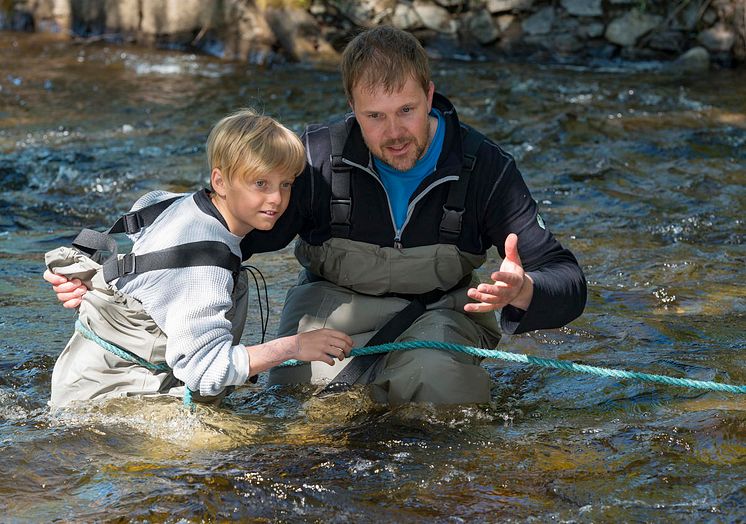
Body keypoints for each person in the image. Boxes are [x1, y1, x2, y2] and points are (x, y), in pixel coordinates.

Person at [48, 26, 587, 406]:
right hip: (328, 314)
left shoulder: (485, 169)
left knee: (438, 385)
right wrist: (110, 276)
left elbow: (568, 280)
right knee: (290, 412)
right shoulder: (316, 158)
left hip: (436, 318)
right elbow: (215, 223)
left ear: (429, 95)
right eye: (374, 117)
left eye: (406, 110)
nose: (394, 133)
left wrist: (522, 291)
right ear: (352, 108)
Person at [43, 109, 353, 408]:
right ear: (219, 182)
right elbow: (206, 371)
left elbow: (144, 210)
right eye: (260, 183)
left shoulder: (169, 203)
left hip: (78, 373)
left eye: (285, 184)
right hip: (106, 398)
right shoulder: (204, 267)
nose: (276, 198)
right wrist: (295, 346)